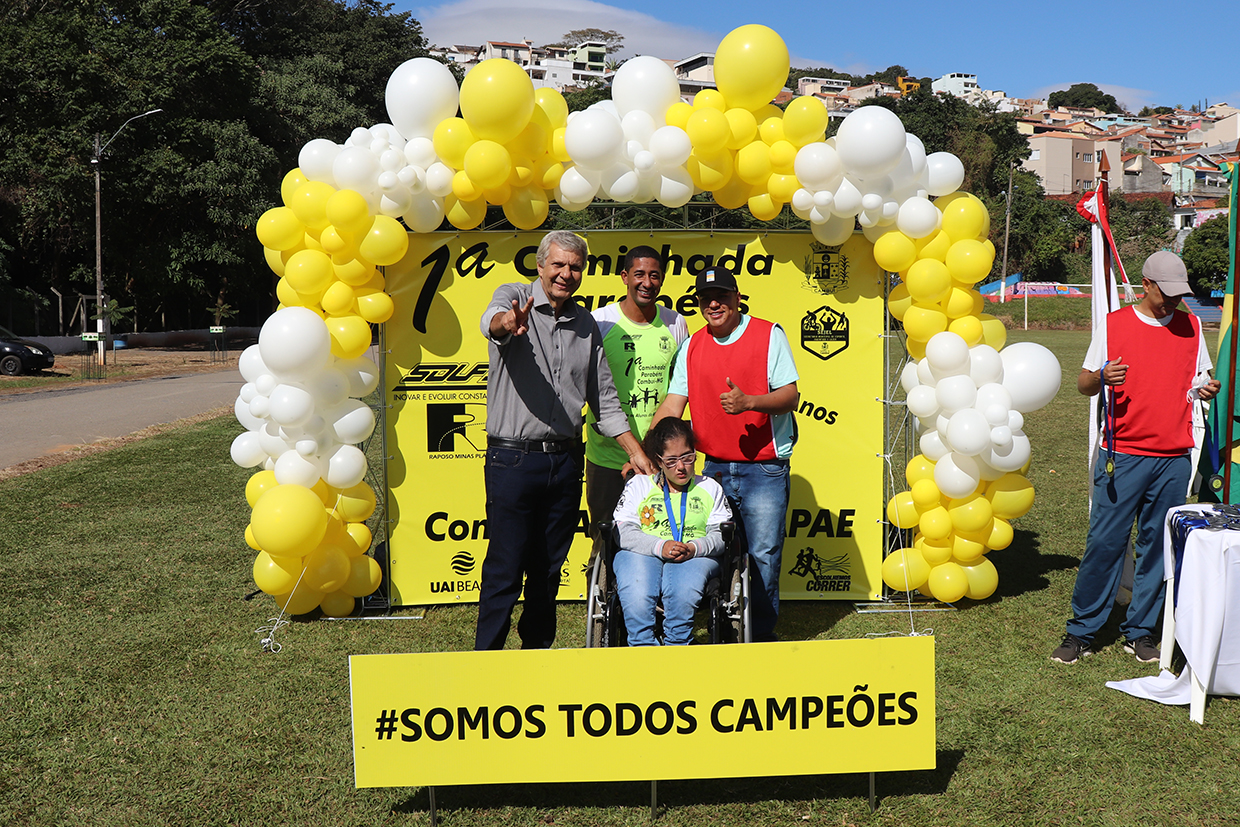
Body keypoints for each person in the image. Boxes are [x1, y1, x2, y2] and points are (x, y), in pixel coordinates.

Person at [476, 230, 655, 651]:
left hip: (565, 463)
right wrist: (508, 323)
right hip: (513, 462)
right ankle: (484, 664)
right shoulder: (514, 296)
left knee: (548, 570)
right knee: (505, 568)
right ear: (540, 266)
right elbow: (493, 323)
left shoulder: (586, 324)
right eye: (558, 264)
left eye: (575, 267)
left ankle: (537, 657)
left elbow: (605, 401)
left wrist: (637, 454)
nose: (565, 274)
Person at [1052, 251, 1219, 665]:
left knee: (1159, 547)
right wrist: (1100, 377)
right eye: (1167, 293)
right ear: (1146, 285)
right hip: (1122, 455)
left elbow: (1197, 379)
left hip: (1174, 458)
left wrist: (1205, 388)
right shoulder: (1115, 324)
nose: (1174, 301)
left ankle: (1141, 631)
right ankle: (1081, 632)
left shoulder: (1193, 326)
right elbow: (1083, 383)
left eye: (1179, 294)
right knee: (1105, 543)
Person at [653, 264, 799, 642]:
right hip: (714, 467)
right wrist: (651, 452)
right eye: (706, 299)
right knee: (715, 551)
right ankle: (724, 628)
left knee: (763, 555)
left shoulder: (768, 334)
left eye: (721, 297)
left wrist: (750, 402)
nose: (714, 304)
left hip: (764, 467)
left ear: (738, 298)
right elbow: (673, 404)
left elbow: (790, 396)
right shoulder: (693, 345)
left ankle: (759, 638)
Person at [585, 246, 688, 580]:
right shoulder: (600, 321)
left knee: (658, 537)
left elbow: (678, 392)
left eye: (654, 275)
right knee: (605, 539)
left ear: (662, 279)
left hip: (658, 459)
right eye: (639, 274)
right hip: (606, 458)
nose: (647, 282)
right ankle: (602, 606)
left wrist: (650, 452)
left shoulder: (675, 323)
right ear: (625, 277)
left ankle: (651, 606)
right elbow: (588, 388)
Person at [612, 418, 732, 645]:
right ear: (658, 460)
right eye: (671, 460)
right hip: (643, 552)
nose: (681, 467)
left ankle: (678, 644)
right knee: (636, 590)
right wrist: (660, 546)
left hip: (694, 555)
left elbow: (720, 536)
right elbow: (623, 532)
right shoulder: (638, 486)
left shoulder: (710, 488)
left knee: (682, 588)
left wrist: (694, 548)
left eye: (687, 457)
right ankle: (642, 645)